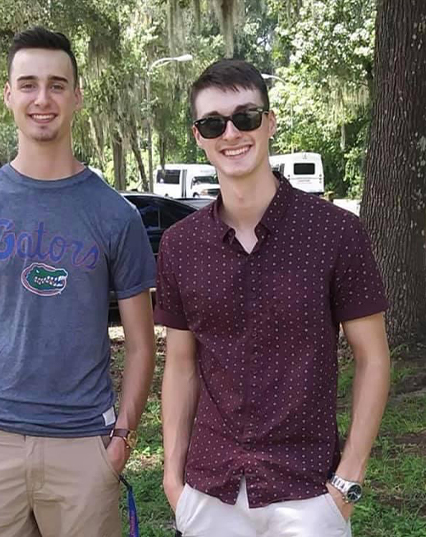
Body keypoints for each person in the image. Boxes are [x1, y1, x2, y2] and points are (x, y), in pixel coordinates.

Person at [0, 27, 156, 537]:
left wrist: (120, 445)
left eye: (56, 84)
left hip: (83, 448)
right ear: (8, 95)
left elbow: (141, 344)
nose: (41, 98)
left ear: (77, 97)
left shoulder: (116, 216)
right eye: (27, 84)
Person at [155, 58, 391, 537]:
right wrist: (173, 482)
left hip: (307, 493)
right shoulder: (180, 245)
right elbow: (180, 365)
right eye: (213, 123)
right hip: (209, 491)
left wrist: (348, 481)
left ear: (269, 123)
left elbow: (374, 358)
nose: (231, 133)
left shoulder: (336, 233)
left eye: (245, 117)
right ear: (198, 136)